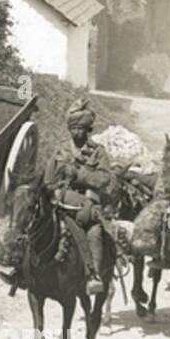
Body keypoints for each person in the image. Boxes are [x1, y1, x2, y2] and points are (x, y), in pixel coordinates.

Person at [34, 98, 112, 294]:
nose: (77, 132)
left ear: (89, 130)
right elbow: (48, 178)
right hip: (59, 201)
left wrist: (78, 174)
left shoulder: (98, 152)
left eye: (82, 128)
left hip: (87, 203)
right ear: (69, 128)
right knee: (33, 223)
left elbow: (104, 179)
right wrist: (54, 191)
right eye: (74, 128)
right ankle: (23, 269)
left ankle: (93, 275)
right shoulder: (60, 150)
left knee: (94, 231)